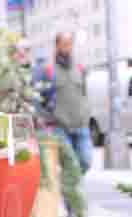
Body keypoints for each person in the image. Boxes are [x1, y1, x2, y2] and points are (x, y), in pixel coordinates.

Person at [36, 32, 93, 173]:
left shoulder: (79, 68)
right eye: (64, 44)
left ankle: (73, 184)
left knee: (85, 161)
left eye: (69, 44)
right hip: (60, 126)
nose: (67, 48)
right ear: (57, 46)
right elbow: (38, 98)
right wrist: (47, 118)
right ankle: (72, 189)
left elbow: (84, 94)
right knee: (70, 163)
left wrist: (86, 113)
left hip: (81, 124)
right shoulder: (48, 71)